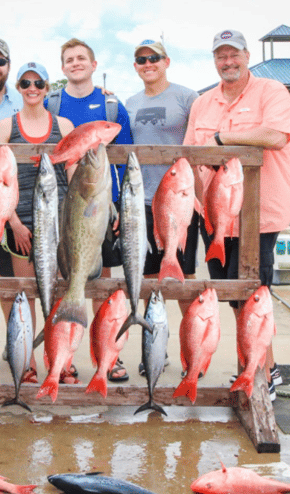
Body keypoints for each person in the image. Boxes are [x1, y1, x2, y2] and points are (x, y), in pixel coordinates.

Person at [183, 29, 290, 400]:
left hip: (258, 217)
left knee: (253, 297)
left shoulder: (272, 91)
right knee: (231, 297)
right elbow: (190, 153)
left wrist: (224, 140)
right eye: (221, 56)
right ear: (214, 60)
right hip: (214, 217)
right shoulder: (202, 103)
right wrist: (196, 206)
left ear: (247, 56)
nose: (228, 62)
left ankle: (265, 372)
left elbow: (277, 136)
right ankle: (249, 367)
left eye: (234, 55)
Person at [46, 38, 134, 382]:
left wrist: (119, 208)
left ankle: (108, 355)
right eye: (69, 59)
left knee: (103, 283)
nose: (75, 63)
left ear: (94, 64)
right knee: (61, 277)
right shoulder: (53, 103)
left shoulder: (111, 106)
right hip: (59, 205)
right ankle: (64, 358)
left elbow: (127, 160)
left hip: (101, 206)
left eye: (82, 57)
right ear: (63, 66)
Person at [0, 62, 76, 383]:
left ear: (46, 87)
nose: (32, 88)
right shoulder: (4, 127)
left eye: (38, 82)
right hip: (20, 222)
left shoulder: (63, 126)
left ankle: (61, 360)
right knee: (24, 294)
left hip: (55, 222)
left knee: (56, 294)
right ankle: (26, 361)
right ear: (18, 86)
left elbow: (71, 174)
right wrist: (11, 221)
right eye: (25, 82)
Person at [124, 39, 199, 376]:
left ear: (166, 61)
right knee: (150, 283)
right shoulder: (129, 103)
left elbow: (200, 141)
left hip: (181, 201)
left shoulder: (187, 97)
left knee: (186, 283)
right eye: (141, 59)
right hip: (143, 202)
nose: (147, 63)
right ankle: (155, 351)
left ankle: (192, 355)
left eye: (153, 58)